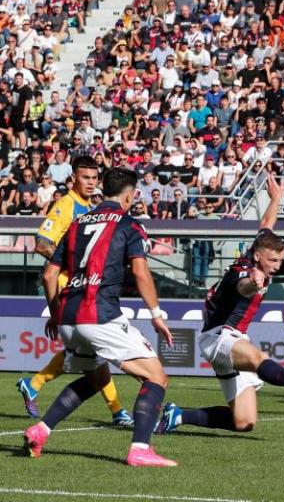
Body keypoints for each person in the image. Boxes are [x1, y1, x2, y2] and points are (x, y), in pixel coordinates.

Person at [24, 167, 176, 467]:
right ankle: (140, 449)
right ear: (129, 196)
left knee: (95, 379)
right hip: (99, 315)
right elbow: (140, 271)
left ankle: (40, 430)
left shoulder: (77, 223)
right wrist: (157, 315)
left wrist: (55, 314)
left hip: (69, 316)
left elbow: (50, 273)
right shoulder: (129, 224)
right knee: (156, 376)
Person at [155, 176, 284, 434]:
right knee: (257, 357)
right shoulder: (242, 273)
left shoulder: (258, 247)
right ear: (257, 257)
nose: (277, 265)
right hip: (219, 337)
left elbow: (266, 224)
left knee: (244, 422)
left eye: (280, 260)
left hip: (232, 339)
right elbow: (243, 286)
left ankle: (178, 416)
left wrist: (275, 198)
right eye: (273, 261)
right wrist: (254, 283)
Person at [18, 155, 134, 426]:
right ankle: (117, 411)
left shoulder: (89, 207)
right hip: (67, 282)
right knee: (94, 349)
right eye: (85, 177)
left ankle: (34, 384)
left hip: (82, 284)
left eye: (95, 178)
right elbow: (41, 243)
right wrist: (69, 262)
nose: (91, 183)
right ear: (73, 179)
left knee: (90, 353)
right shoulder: (66, 205)